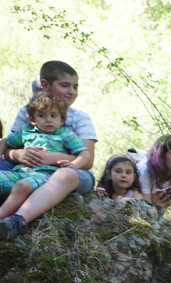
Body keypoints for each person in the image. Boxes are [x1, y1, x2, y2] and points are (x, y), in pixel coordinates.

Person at [0, 61, 98, 237]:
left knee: (64, 175)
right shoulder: (27, 112)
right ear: (45, 85)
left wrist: (52, 158)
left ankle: (17, 220)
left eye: (75, 87)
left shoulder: (80, 118)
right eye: (65, 85)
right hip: (26, 169)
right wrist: (18, 154)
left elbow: (88, 160)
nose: (71, 91)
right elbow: (8, 147)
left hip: (73, 172)